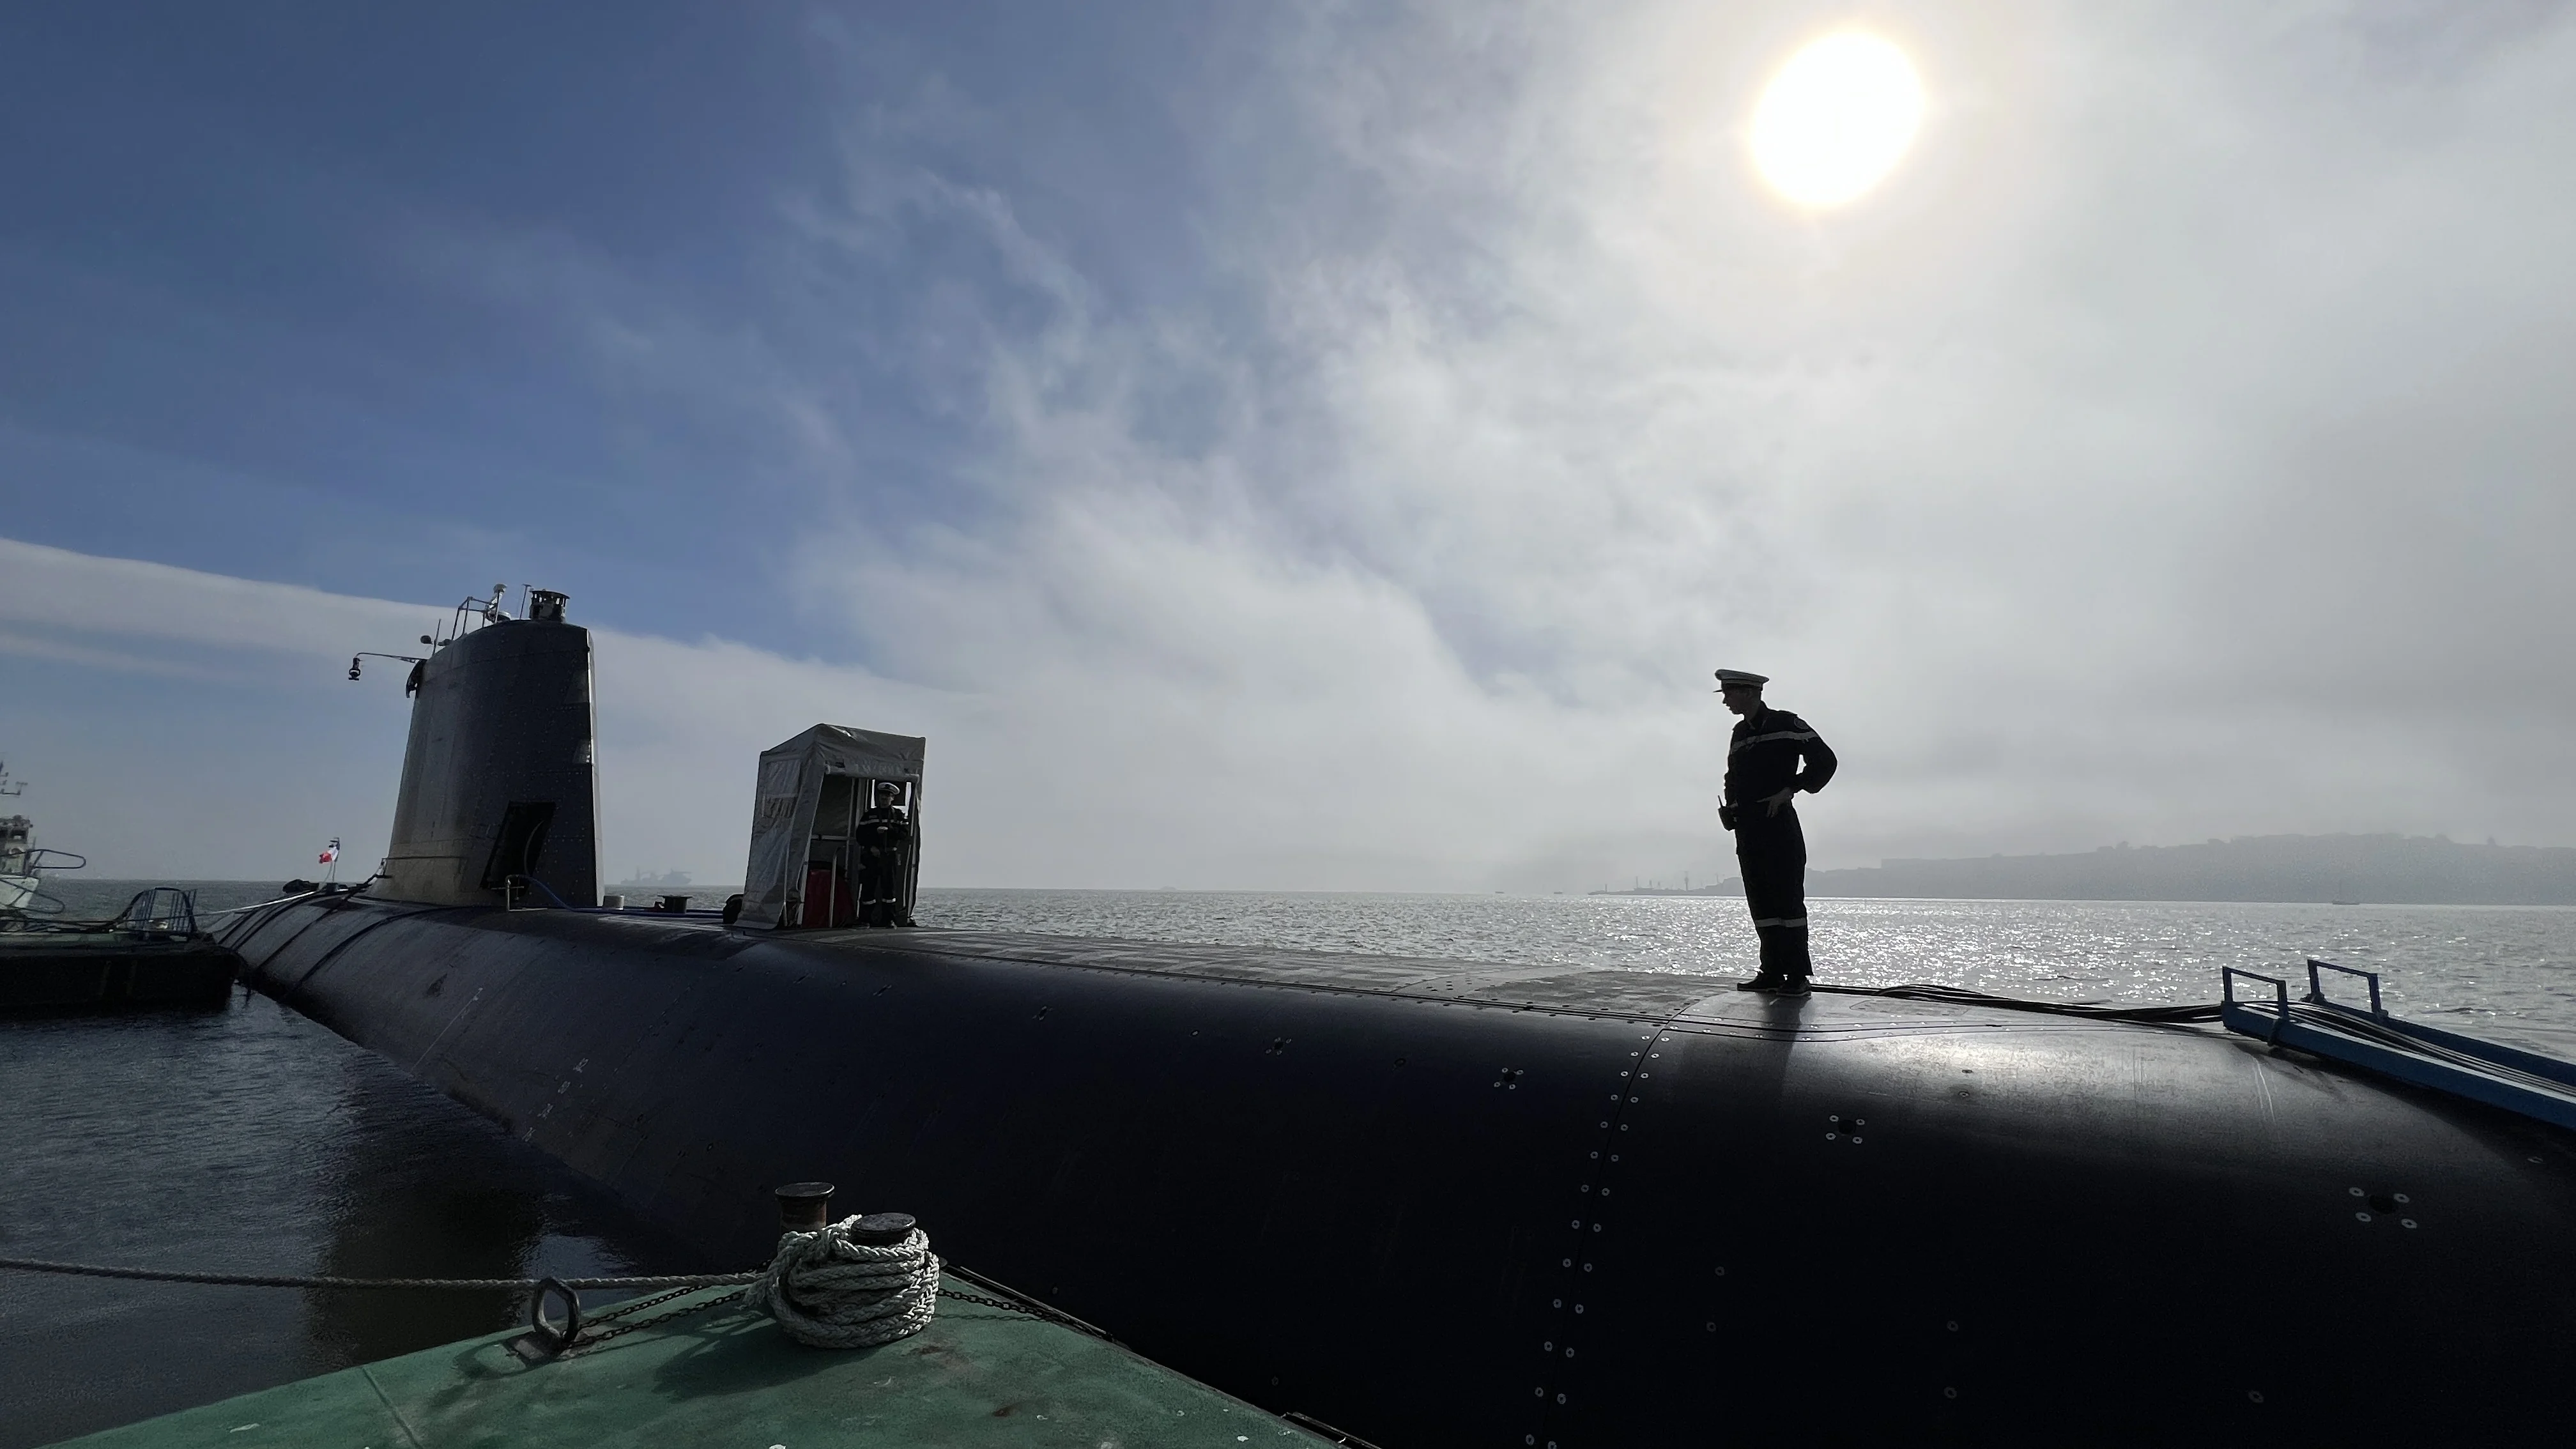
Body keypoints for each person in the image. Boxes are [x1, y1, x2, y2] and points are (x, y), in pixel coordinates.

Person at [1715, 668, 1837, 995]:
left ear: (1749, 693)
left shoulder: (1787, 724)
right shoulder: (1740, 733)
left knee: (1788, 901)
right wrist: (1731, 808)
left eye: (1729, 694)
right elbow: (1732, 777)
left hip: (1778, 823)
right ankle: (1771, 972)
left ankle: (1797, 977)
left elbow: (1826, 761)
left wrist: (1791, 789)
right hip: (1748, 828)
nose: (1725, 701)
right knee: (1761, 901)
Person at [854, 781, 914, 928]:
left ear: (893, 798)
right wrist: (871, 845)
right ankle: (865, 920)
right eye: (882, 796)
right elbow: (860, 835)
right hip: (872, 856)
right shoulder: (870, 815)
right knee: (868, 888)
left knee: (889, 890)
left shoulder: (898, 816)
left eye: (888, 796)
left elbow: (905, 835)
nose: (884, 798)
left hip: (890, 856)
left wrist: (890, 830)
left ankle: (888, 920)